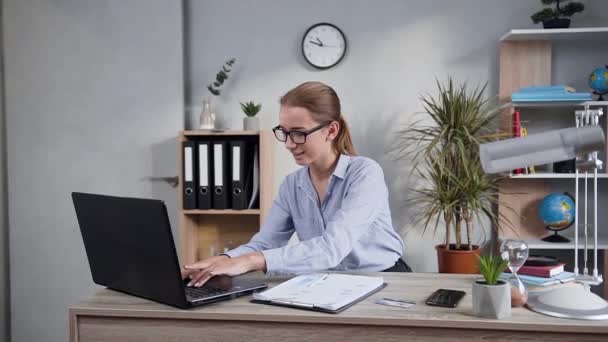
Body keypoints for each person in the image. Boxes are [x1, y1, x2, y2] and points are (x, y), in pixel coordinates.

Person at [183, 81, 409, 287]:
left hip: (384, 278)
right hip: (327, 281)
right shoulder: (292, 185)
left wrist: (252, 261)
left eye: (299, 134)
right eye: (284, 132)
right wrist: (225, 259)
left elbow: (331, 249)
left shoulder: (364, 173)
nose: (289, 144)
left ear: (331, 130)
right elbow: (265, 243)